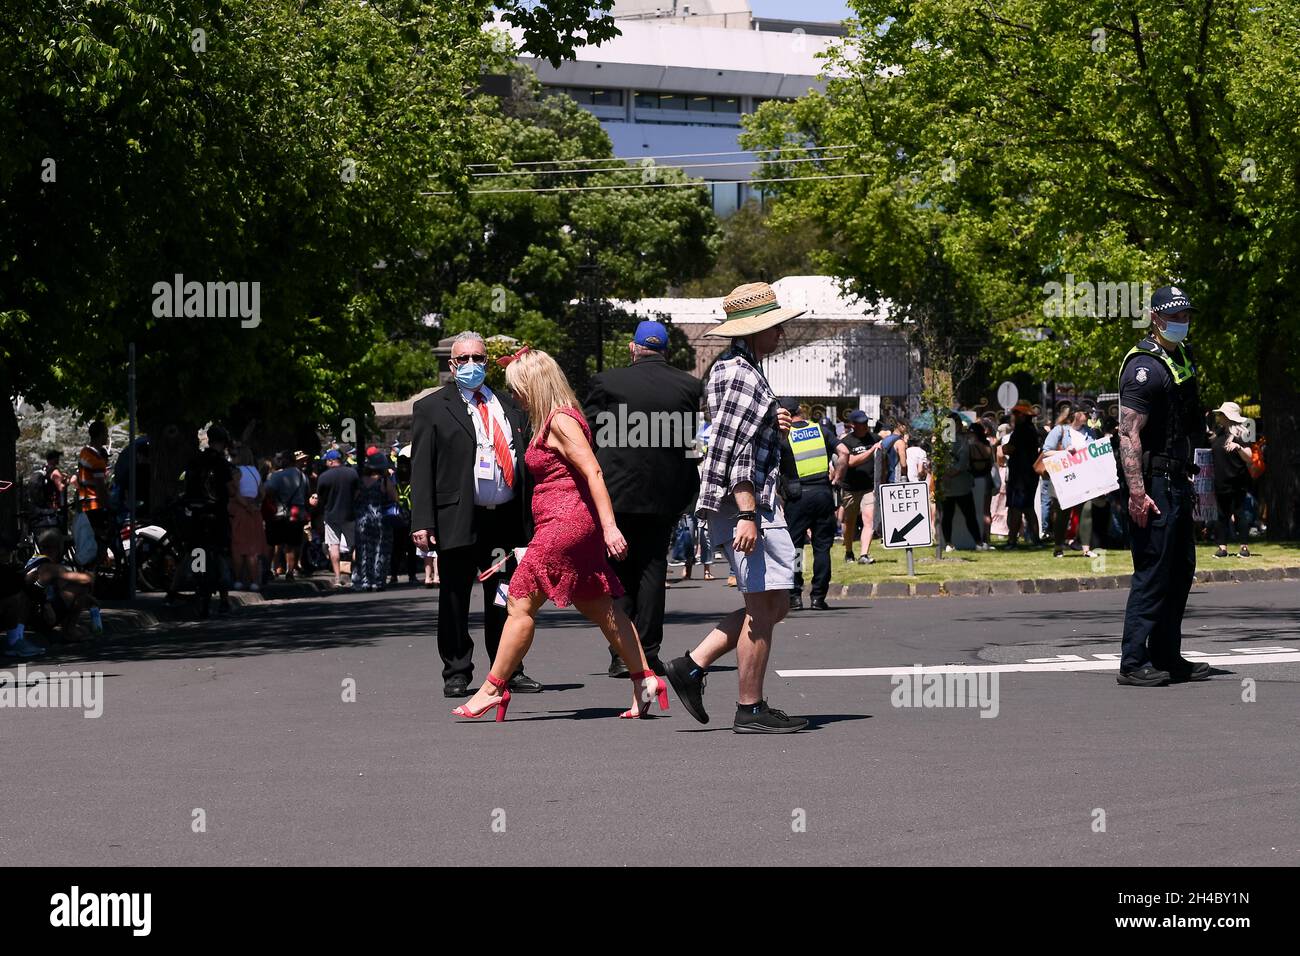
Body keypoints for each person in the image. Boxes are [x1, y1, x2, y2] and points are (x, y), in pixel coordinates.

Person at [451, 347, 668, 722]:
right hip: (565, 525)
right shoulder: (556, 418)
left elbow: (593, 472)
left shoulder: (559, 421)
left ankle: (491, 689)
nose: (514, 395)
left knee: (519, 603)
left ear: (535, 385)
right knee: (603, 607)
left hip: (565, 525)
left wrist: (610, 526)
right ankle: (645, 680)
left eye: (518, 388)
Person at [663, 281, 809, 734]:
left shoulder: (738, 369)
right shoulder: (741, 373)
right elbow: (734, 450)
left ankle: (693, 665)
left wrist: (774, 424)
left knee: (775, 603)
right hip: (747, 503)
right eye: (774, 328)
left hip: (749, 502)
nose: (780, 335)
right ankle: (750, 707)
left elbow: (743, 437)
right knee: (764, 608)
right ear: (753, 331)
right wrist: (747, 512)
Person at [410, 330, 541, 698]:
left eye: (478, 358)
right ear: (452, 365)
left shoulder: (510, 406)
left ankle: (508, 669)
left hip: (505, 519)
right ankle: (456, 670)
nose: (471, 365)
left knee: (504, 595)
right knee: (454, 594)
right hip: (458, 516)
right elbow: (421, 469)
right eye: (463, 359)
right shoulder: (432, 408)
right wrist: (422, 520)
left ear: (487, 362)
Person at [582, 320, 703, 677]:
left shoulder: (607, 382)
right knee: (652, 571)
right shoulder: (688, 385)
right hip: (663, 494)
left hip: (616, 493)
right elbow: (688, 444)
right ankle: (647, 652)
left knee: (618, 573)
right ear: (665, 351)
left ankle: (622, 652)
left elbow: (589, 436)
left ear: (633, 348)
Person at [1116, 285, 1210, 687]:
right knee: (1153, 571)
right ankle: (1133, 662)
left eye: (1186, 315)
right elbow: (1128, 434)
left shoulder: (1181, 359)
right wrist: (1137, 492)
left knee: (1180, 569)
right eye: (1174, 316)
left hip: (1177, 480)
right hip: (1152, 482)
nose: (1181, 322)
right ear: (1155, 318)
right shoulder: (1143, 367)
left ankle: (1167, 655)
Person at [778, 396, 837, 611]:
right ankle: (818, 597)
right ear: (801, 410)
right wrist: (837, 476)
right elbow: (844, 452)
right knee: (822, 548)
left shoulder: (783, 436)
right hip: (823, 493)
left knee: (795, 548)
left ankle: (794, 596)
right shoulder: (821, 430)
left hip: (797, 497)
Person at [174, 426, 239, 618]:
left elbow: (185, 484)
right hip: (217, 513)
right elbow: (231, 490)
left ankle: (197, 586)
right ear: (223, 442)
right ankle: (225, 598)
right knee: (221, 552)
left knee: (197, 550)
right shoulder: (221, 463)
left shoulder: (196, 460)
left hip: (196, 513)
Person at [1042, 407, 1093, 558]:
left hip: (1084, 477)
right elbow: (1046, 451)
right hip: (1065, 478)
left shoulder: (1090, 432)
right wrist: (1065, 452)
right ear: (1075, 415)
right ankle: (1058, 546)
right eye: (1085, 412)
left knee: (1087, 509)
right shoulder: (1060, 430)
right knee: (1062, 513)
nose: (1088, 415)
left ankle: (1086, 549)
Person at [834, 410, 879, 565]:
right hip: (850, 488)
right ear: (853, 425)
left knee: (869, 519)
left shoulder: (874, 438)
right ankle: (848, 551)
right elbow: (850, 462)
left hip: (869, 487)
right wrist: (871, 450)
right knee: (850, 521)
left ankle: (864, 555)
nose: (865, 426)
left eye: (866, 422)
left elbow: (883, 459)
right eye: (861, 423)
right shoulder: (846, 442)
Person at [1210, 401, 1254, 559]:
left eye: (1221, 414)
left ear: (1228, 416)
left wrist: (1238, 447)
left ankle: (1244, 546)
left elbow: (1250, 457)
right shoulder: (1218, 433)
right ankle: (1222, 548)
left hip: (1238, 481)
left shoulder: (1241, 434)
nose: (1219, 417)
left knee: (1240, 513)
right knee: (1222, 515)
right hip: (1220, 481)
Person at [352, 452, 399, 591]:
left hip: (362, 520)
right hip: (381, 520)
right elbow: (394, 498)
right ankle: (378, 580)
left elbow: (355, 498)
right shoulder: (384, 481)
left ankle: (365, 580)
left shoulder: (360, 481)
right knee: (381, 550)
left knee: (364, 550)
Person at [315, 450, 360, 587]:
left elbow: (320, 497)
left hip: (331, 516)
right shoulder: (352, 473)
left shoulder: (324, 477)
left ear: (330, 461)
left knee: (333, 546)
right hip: (350, 514)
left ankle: (337, 577)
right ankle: (356, 574)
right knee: (355, 545)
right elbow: (358, 491)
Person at [263, 451, 309, 582]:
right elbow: (306, 494)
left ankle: (269, 570)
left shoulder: (277, 476)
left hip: (279, 513)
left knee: (272, 542)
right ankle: (290, 571)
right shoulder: (303, 476)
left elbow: (266, 491)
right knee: (292, 544)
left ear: (286, 461)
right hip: (296, 513)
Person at [941, 418, 984, 551]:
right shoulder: (962, 441)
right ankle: (978, 542)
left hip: (946, 484)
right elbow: (964, 461)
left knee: (947, 516)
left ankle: (948, 543)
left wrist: (946, 474)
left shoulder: (940, 442)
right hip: (961, 484)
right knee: (969, 515)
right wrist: (954, 472)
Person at [1003, 401, 1042, 547]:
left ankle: (1012, 540)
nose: (1014, 417)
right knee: (1028, 508)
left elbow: (1008, 449)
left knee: (1017, 509)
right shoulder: (1032, 429)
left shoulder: (1020, 431)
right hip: (1028, 475)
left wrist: (1003, 447)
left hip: (1020, 476)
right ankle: (1035, 540)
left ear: (1023, 416)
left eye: (1016, 414)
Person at [228, 443, 265, 591]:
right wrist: (254, 504)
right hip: (255, 511)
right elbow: (262, 492)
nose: (232, 458)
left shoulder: (237, 471)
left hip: (240, 510)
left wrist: (245, 505)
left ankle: (238, 580)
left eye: (234, 455)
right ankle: (254, 581)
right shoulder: (255, 471)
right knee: (252, 548)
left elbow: (235, 492)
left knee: (238, 546)